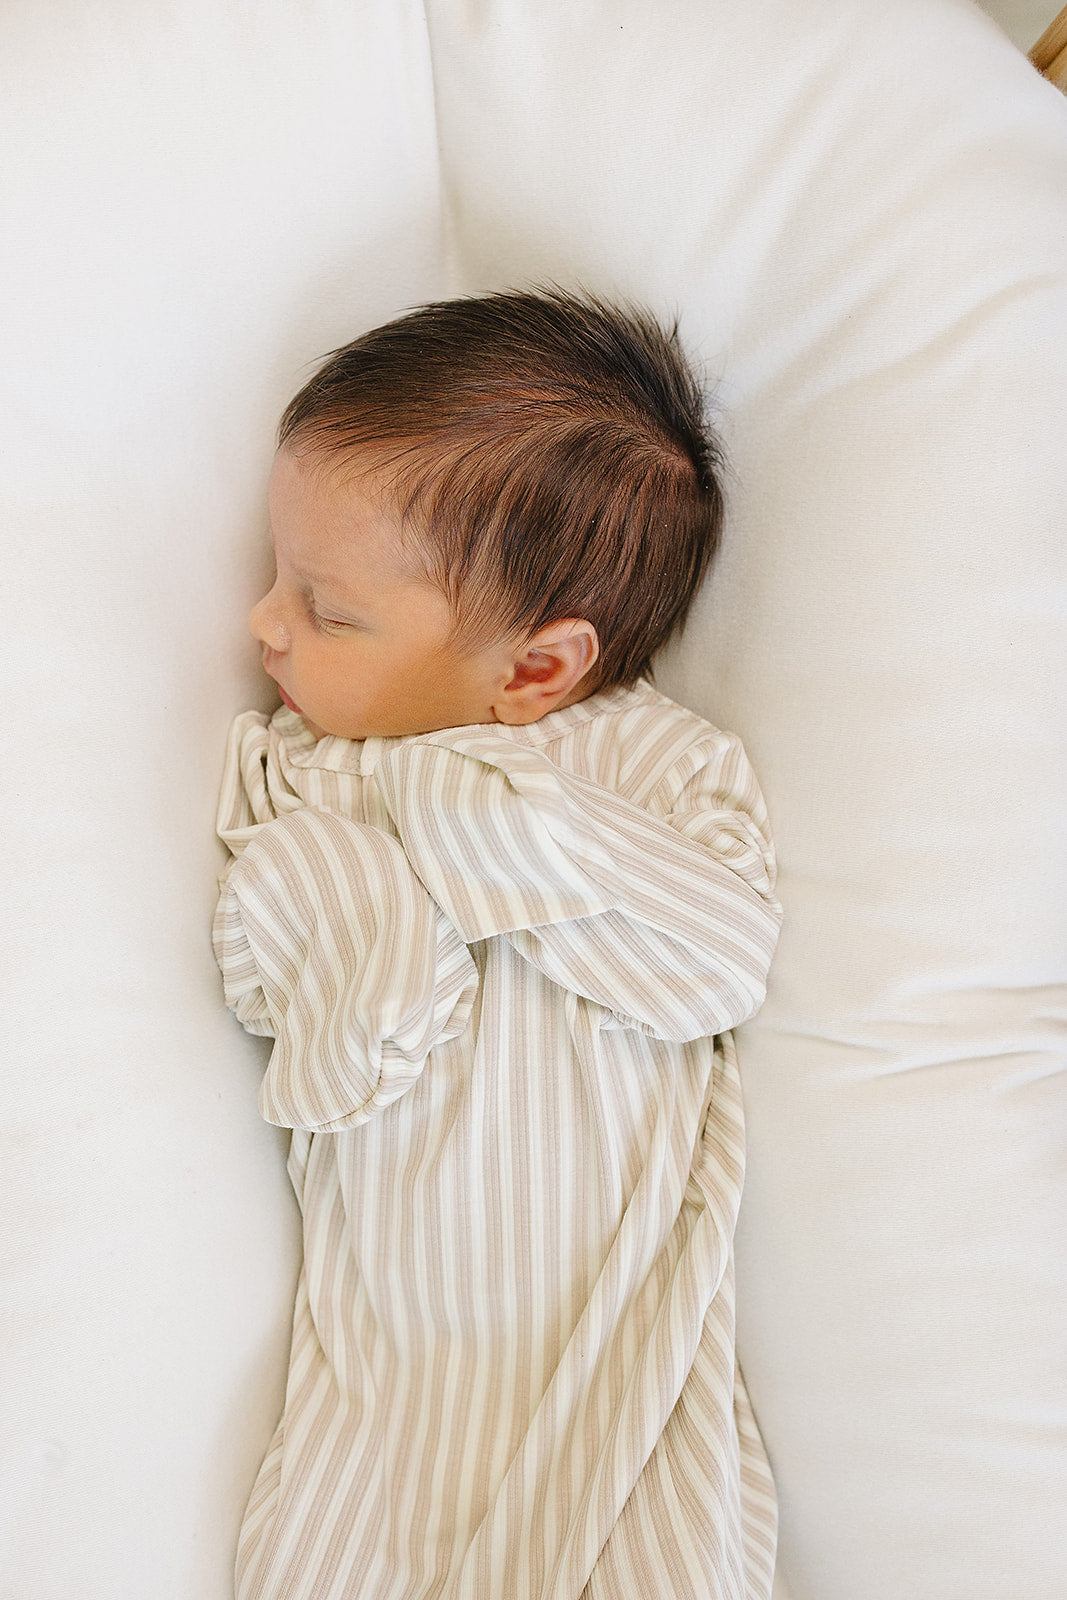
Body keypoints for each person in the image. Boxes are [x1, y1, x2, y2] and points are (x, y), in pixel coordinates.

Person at [213, 290, 782, 1600]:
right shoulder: (301, 778)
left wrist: (462, 811)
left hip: (623, 1374)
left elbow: (718, 959)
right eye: (276, 578)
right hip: (382, 1381)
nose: (263, 626)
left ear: (535, 671)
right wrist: (362, 915)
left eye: (325, 608)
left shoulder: (655, 766)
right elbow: (285, 997)